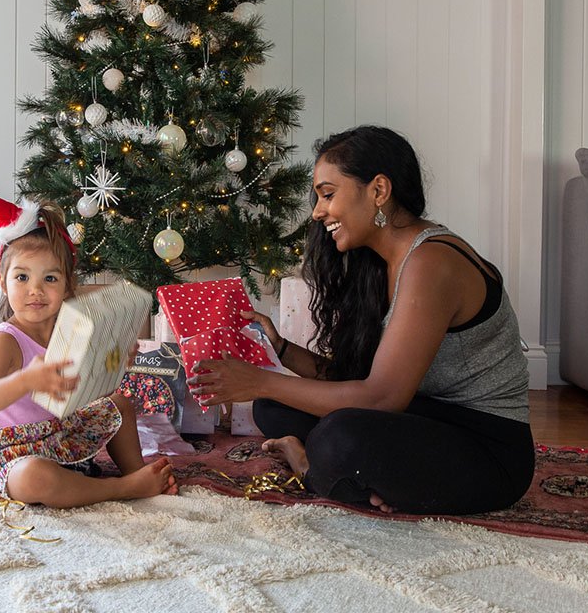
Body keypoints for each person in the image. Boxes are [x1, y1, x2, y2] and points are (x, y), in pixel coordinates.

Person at [188, 126, 535, 515]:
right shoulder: (383, 264)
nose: (318, 212)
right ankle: (367, 478)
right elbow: (357, 380)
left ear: (378, 190)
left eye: (328, 194)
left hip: (490, 452)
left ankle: (309, 466)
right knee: (272, 407)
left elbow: (381, 398)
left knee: (340, 438)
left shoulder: (432, 262)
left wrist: (256, 379)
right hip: (428, 416)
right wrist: (281, 351)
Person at [0, 192, 178, 508]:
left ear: (67, 285)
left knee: (118, 403)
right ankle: (123, 488)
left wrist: (115, 363)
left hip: (57, 434)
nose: (35, 290)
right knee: (34, 478)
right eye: (22, 277)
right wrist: (26, 380)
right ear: (2, 280)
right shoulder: (5, 341)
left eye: (49, 277)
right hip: (8, 452)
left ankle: (137, 471)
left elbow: (83, 390)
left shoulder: (69, 331)